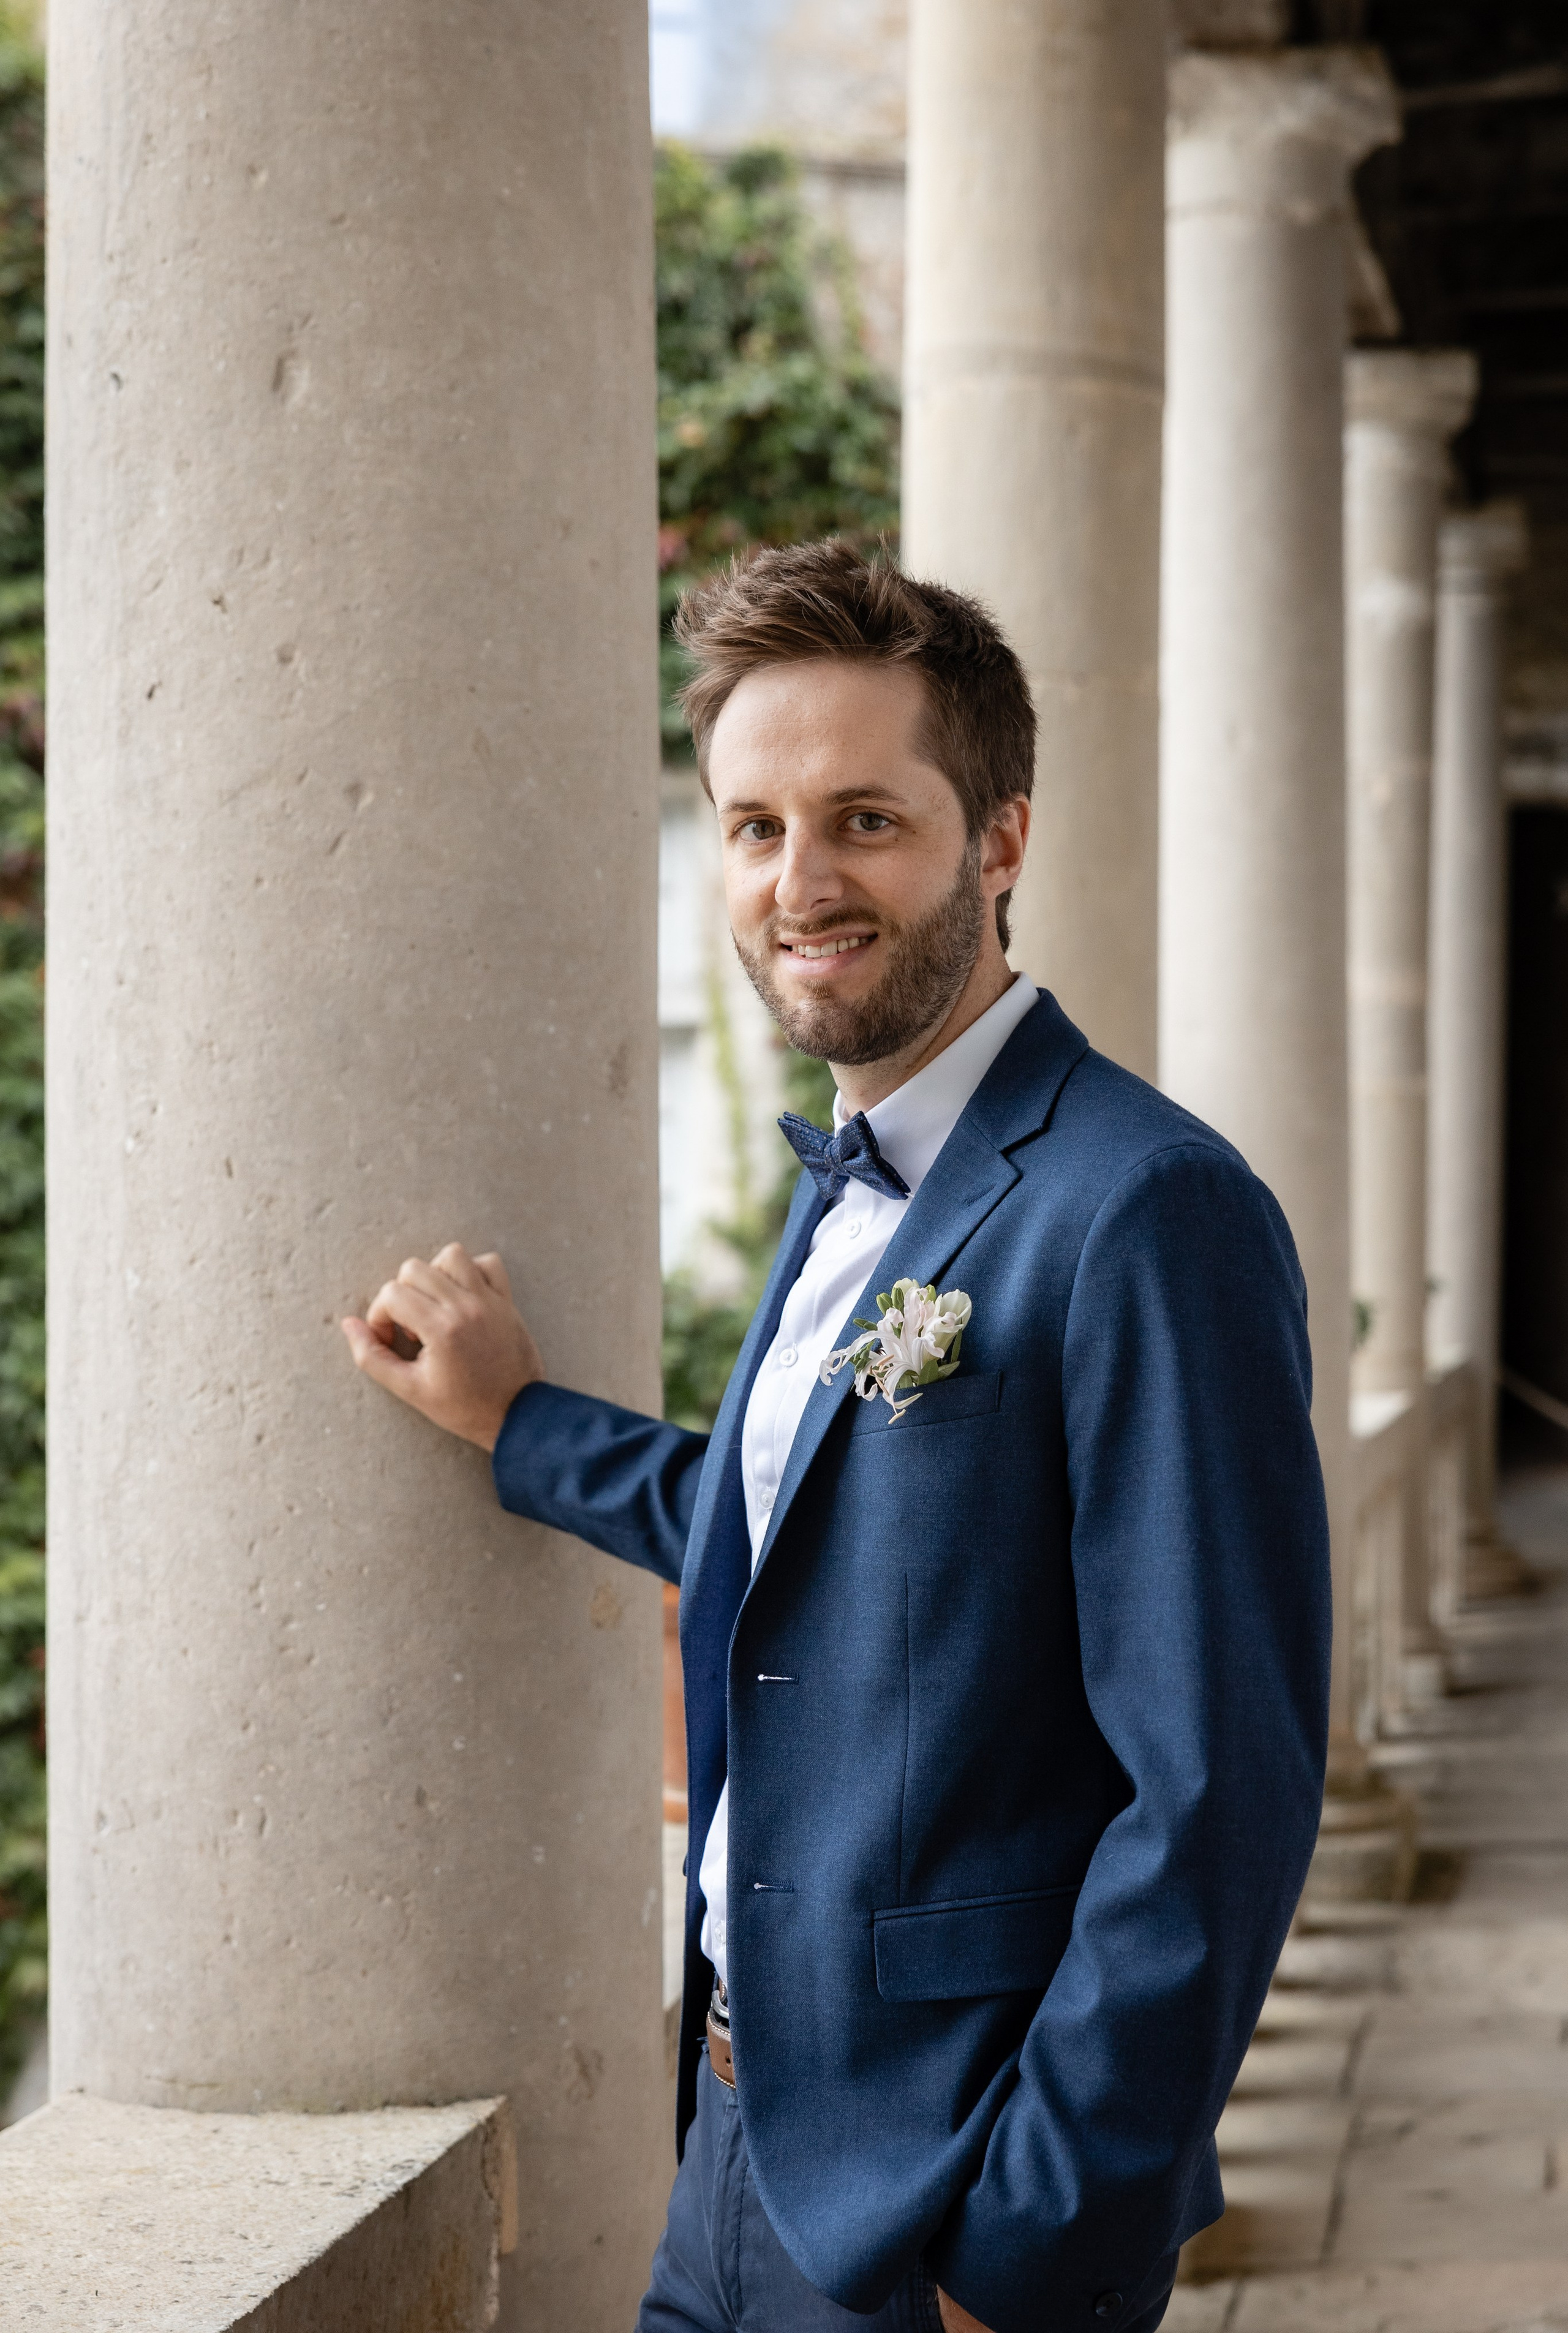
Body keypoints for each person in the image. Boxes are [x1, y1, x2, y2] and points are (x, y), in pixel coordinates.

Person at [343, 541, 1331, 2333]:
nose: (801, 882)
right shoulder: (852, 1182)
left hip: (947, 2208)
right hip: (728, 2146)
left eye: (866, 819)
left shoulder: (1149, 1211)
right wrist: (517, 1424)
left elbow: (1220, 1796)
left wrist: (1027, 2250)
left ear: (1001, 841)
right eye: (753, 827)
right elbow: (801, 1534)